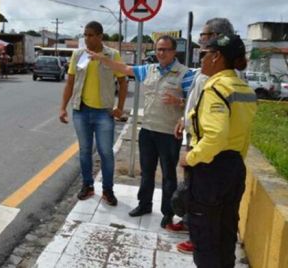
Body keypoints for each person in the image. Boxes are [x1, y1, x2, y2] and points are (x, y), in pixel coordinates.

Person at [89, 35, 193, 227]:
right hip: (147, 130)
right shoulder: (149, 70)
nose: (161, 53)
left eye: (165, 49)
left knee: (169, 175)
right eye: (158, 49)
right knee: (146, 172)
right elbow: (125, 69)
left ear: (173, 52)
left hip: (169, 133)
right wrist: (102, 59)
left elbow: (193, 105)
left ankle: (167, 213)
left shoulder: (185, 74)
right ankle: (144, 204)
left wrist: (179, 102)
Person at [180, 34, 256, 267]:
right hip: (234, 167)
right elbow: (242, 135)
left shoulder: (216, 88)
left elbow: (215, 136)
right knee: (225, 233)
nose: (201, 60)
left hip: (211, 171)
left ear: (217, 57)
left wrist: (189, 158)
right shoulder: (244, 88)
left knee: (205, 239)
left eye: (204, 54)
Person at [169, 18, 236, 254]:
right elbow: (196, 103)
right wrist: (183, 120)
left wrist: (194, 154)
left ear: (217, 36)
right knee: (192, 187)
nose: (200, 39)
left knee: (202, 194)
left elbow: (215, 125)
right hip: (196, 136)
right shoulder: (207, 68)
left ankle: (198, 238)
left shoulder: (218, 72)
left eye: (205, 35)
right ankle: (190, 225)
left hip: (208, 147)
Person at [59, 21, 127, 206]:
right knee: (85, 151)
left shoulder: (112, 55)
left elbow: (123, 81)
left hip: (104, 113)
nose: (87, 38)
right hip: (81, 111)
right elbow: (70, 83)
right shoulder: (78, 55)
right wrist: (63, 107)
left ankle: (108, 190)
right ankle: (87, 186)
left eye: (90, 35)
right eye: (85, 35)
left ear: (100, 36)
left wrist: (120, 107)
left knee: (106, 152)